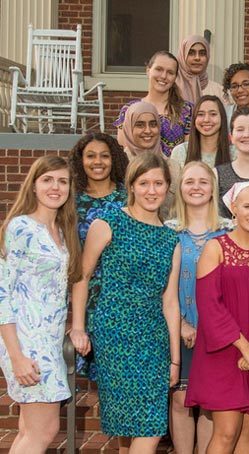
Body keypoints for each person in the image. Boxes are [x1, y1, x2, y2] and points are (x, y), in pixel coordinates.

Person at [70, 153, 181, 453]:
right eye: (144, 183)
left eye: (158, 183)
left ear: (168, 187)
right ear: (131, 186)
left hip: (154, 339)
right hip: (114, 336)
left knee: (147, 426)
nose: (151, 190)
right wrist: (78, 327)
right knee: (134, 429)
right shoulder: (108, 224)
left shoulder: (171, 239)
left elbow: (170, 302)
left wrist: (175, 358)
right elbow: (81, 277)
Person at [185, 182, 249, 454]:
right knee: (226, 432)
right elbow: (209, 306)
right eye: (247, 206)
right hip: (225, 351)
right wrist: (245, 348)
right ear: (234, 208)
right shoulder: (215, 248)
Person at [0, 156, 82, 453]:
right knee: (44, 431)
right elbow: (3, 294)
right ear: (33, 186)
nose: (55, 187)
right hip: (25, 340)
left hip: (48, 340)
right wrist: (16, 356)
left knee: (29, 431)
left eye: (62, 181)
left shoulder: (62, 232)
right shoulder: (21, 227)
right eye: (47, 180)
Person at [166, 161, 229, 454]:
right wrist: (181, 324)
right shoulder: (167, 231)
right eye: (189, 181)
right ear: (180, 187)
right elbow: (160, 287)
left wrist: (213, 327)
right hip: (179, 329)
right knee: (181, 400)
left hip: (217, 331)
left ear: (213, 188)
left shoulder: (229, 230)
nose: (196, 187)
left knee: (207, 405)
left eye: (203, 182)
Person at [69, 133, 129, 379]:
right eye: (91, 156)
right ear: (80, 160)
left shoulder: (128, 198)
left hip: (120, 296)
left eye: (105, 156)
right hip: (83, 289)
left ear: (114, 159)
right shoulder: (71, 200)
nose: (98, 162)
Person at [114, 50, 193, 157]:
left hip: (175, 171)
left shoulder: (187, 110)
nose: (164, 76)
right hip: (138, 170)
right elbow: (123, 152)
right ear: (148, 70)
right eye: (159, 69)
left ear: (175, 77)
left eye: (170, 72)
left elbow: (188, 152)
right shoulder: (129, 110)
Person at [118, 101, 181, 219]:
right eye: (140, 125)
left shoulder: (173, 167)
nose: (147, 131)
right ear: (128, 128)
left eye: (153, 124)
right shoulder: (119, 164)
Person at [171, 95, 231, 168]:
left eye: (213, 114)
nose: (206, 119)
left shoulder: (235, 153)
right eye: (200, 114)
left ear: (222, 118)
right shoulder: (180, 152)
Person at [175, 34, 229, 105]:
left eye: (202, 53)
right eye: (191, 53)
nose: (197, 58)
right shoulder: (172, 88)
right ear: (182, 56)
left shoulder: (219, 92)